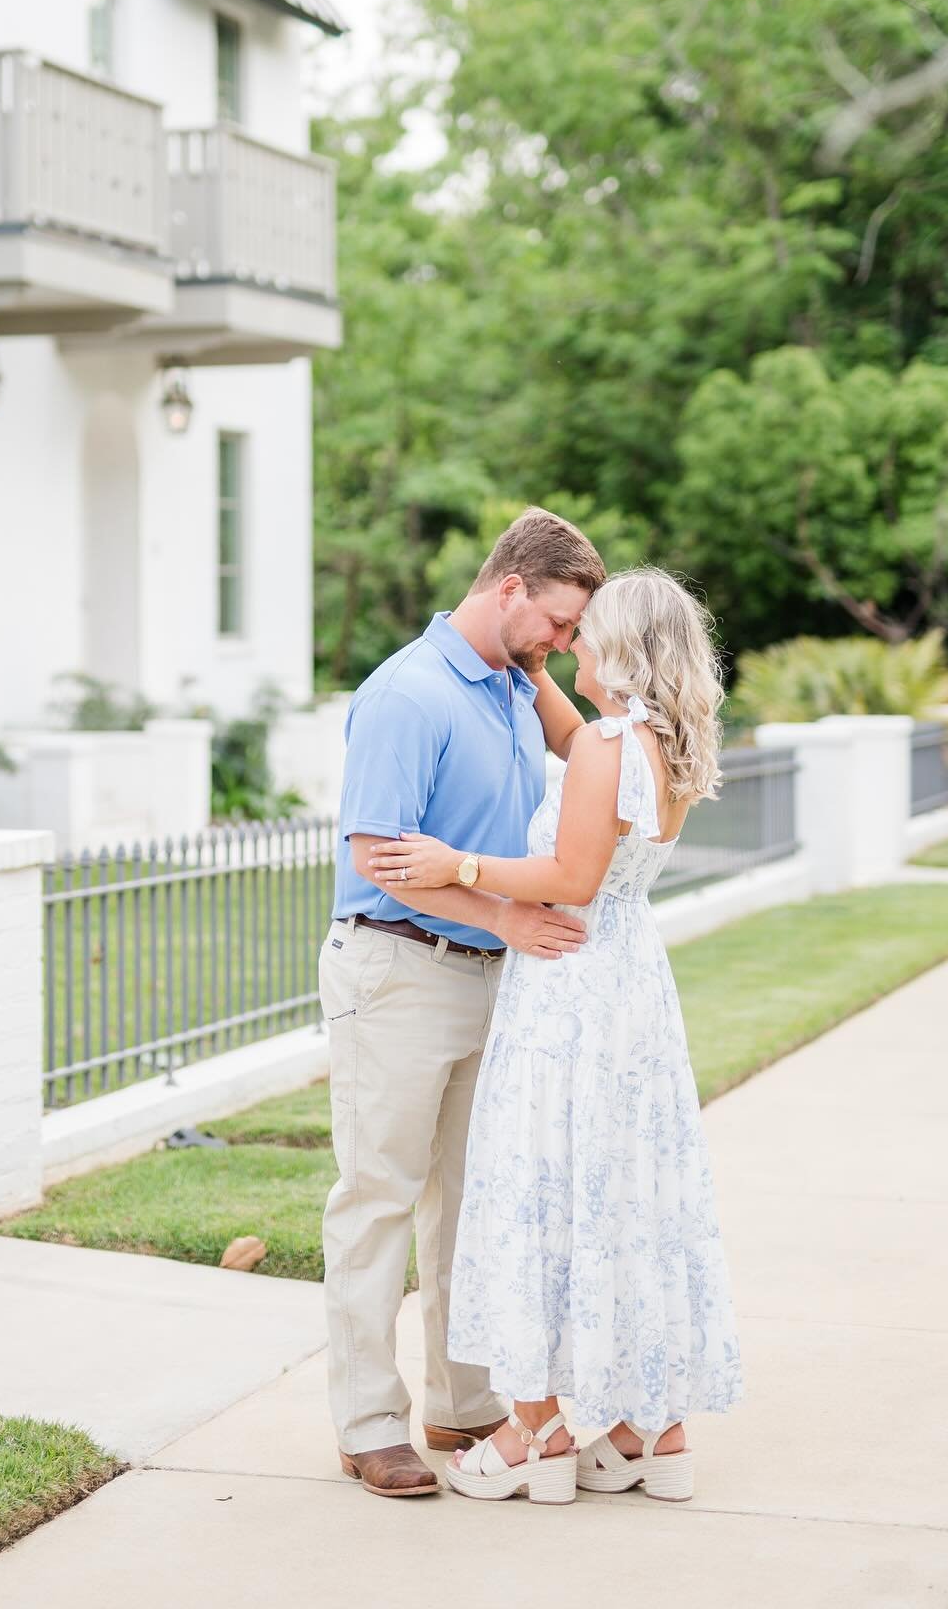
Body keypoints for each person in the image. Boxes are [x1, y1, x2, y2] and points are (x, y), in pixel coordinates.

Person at [368, 567, 744, 1505]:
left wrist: (457, 863)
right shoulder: (662, 743)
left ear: (620, 649)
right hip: (631, 989)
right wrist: (525, 663)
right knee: (622, 1192)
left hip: (570, 984)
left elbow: (571, 875)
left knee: (542, 1181)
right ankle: (646, 1432)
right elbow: (581, 754)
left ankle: (532, 1431)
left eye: (583, 635)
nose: (568, 645)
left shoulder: (609, 748)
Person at [320, 507, 607, 1499]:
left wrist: (509, 928)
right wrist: (509, 915)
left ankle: (463, 1400)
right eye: (559, 624)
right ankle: (366, 1425)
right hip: (397, 971)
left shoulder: (513, 690)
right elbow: (379, 858)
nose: (564, 646)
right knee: (378, 1204)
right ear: (510, 589)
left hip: (490, 976)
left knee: (469, 1207)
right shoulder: (408, 693)